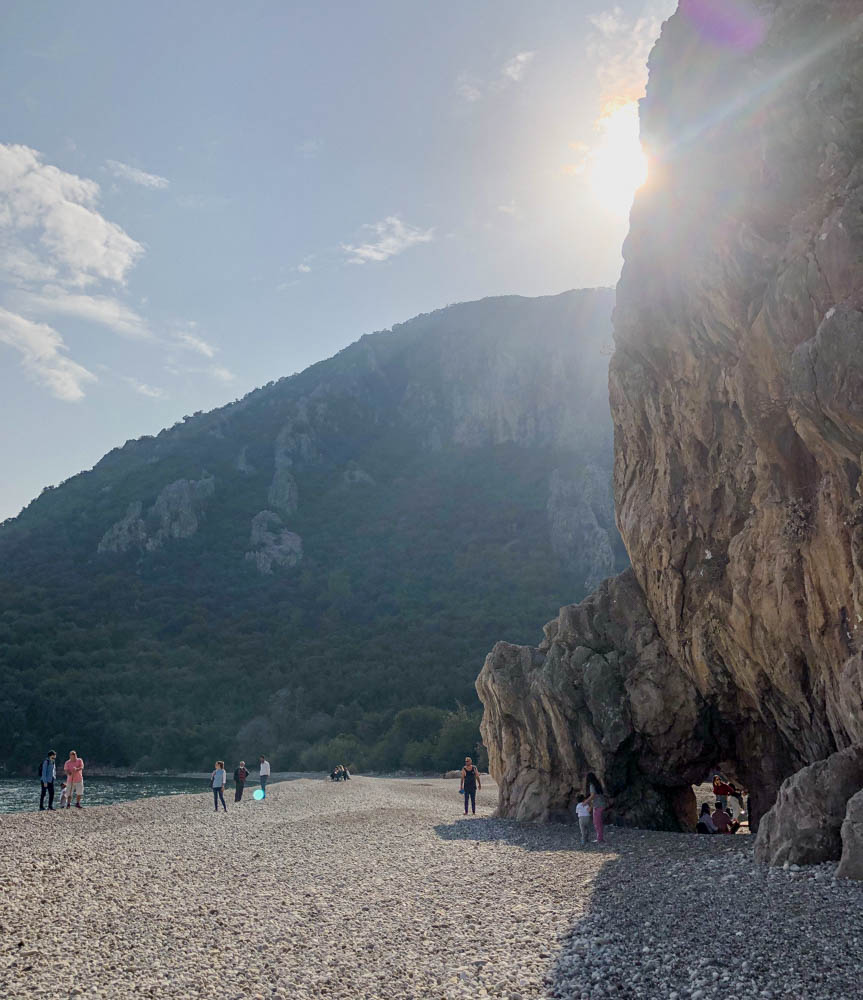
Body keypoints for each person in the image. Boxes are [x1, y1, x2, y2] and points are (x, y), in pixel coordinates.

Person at [585, 772, 608, 843]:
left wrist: (585, 802)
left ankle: (599, 839)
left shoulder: (592, 785)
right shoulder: (598, 784)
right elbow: (601, 793)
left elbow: (593, 796)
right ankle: (600, 838)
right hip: (602, 804)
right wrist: (591, 807)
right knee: (599, 822)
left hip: (597, 805)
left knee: (597, 822)